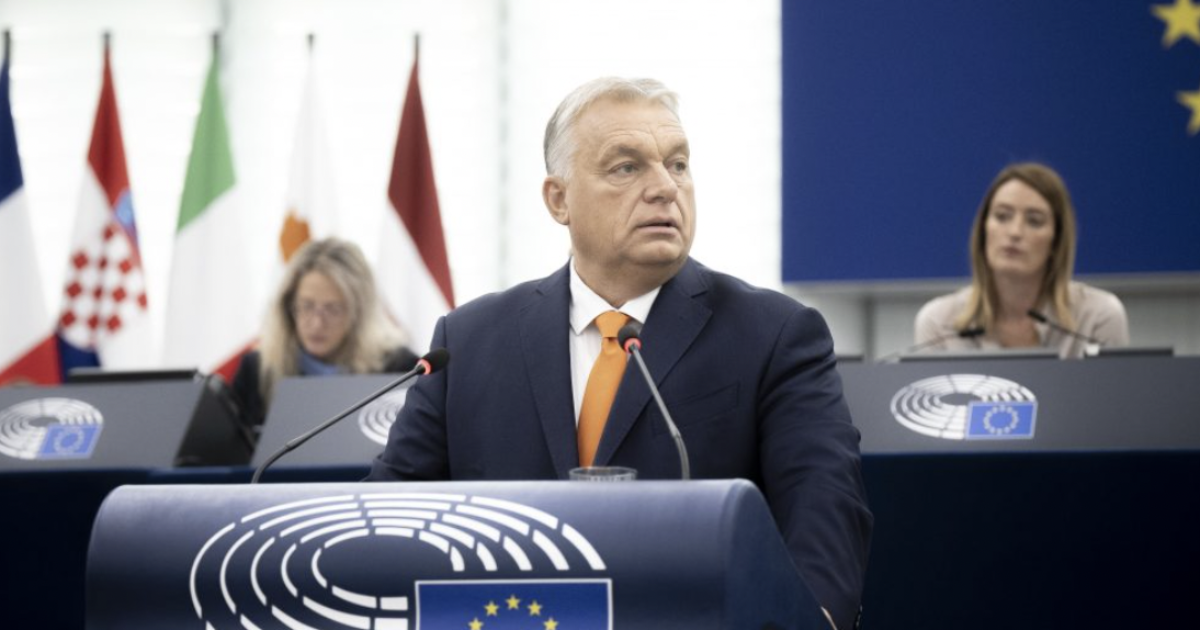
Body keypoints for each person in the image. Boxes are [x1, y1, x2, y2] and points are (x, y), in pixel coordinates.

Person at [368, 77, 871, 630]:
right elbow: (384, 522)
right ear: (558, 200)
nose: (665, 188)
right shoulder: (467, 343)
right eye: (627, 167)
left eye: (678, 164)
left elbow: (823, 505)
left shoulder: (774, 334)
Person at [915, 162, 1129, 358]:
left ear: (1056, 241)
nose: (1015, 232)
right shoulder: (939, 323)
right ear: (983, 230)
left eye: (1034, 221)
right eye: (1002, 216)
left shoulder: (1097, 317)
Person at [232, 237, 419, 429]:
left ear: (359, 314)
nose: (317, 323)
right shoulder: (257, 371)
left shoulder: (401, 370)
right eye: (306, 306)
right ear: (288, 306)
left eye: (333, 309)